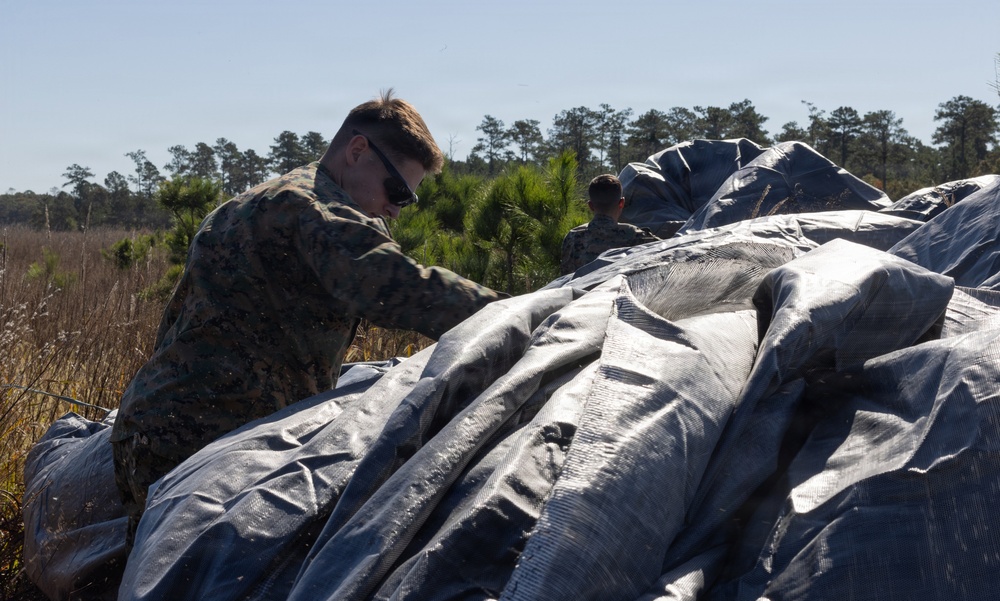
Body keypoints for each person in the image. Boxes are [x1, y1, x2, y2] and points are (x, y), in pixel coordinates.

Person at [110, 90, 503, 541]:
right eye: (396, 190)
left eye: (407, 200)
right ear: (357, 151)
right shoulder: (309, 207)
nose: (396, 209)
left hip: (168, 427)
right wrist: (521, 312)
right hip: (201, 441)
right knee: (193, 580)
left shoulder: (263, 199)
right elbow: (393, 284)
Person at [560, 174, 660, 274]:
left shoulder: (572, 238)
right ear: (622, 203)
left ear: (590, 206)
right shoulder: (636, 236)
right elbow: (666, 252)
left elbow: (565, 277)